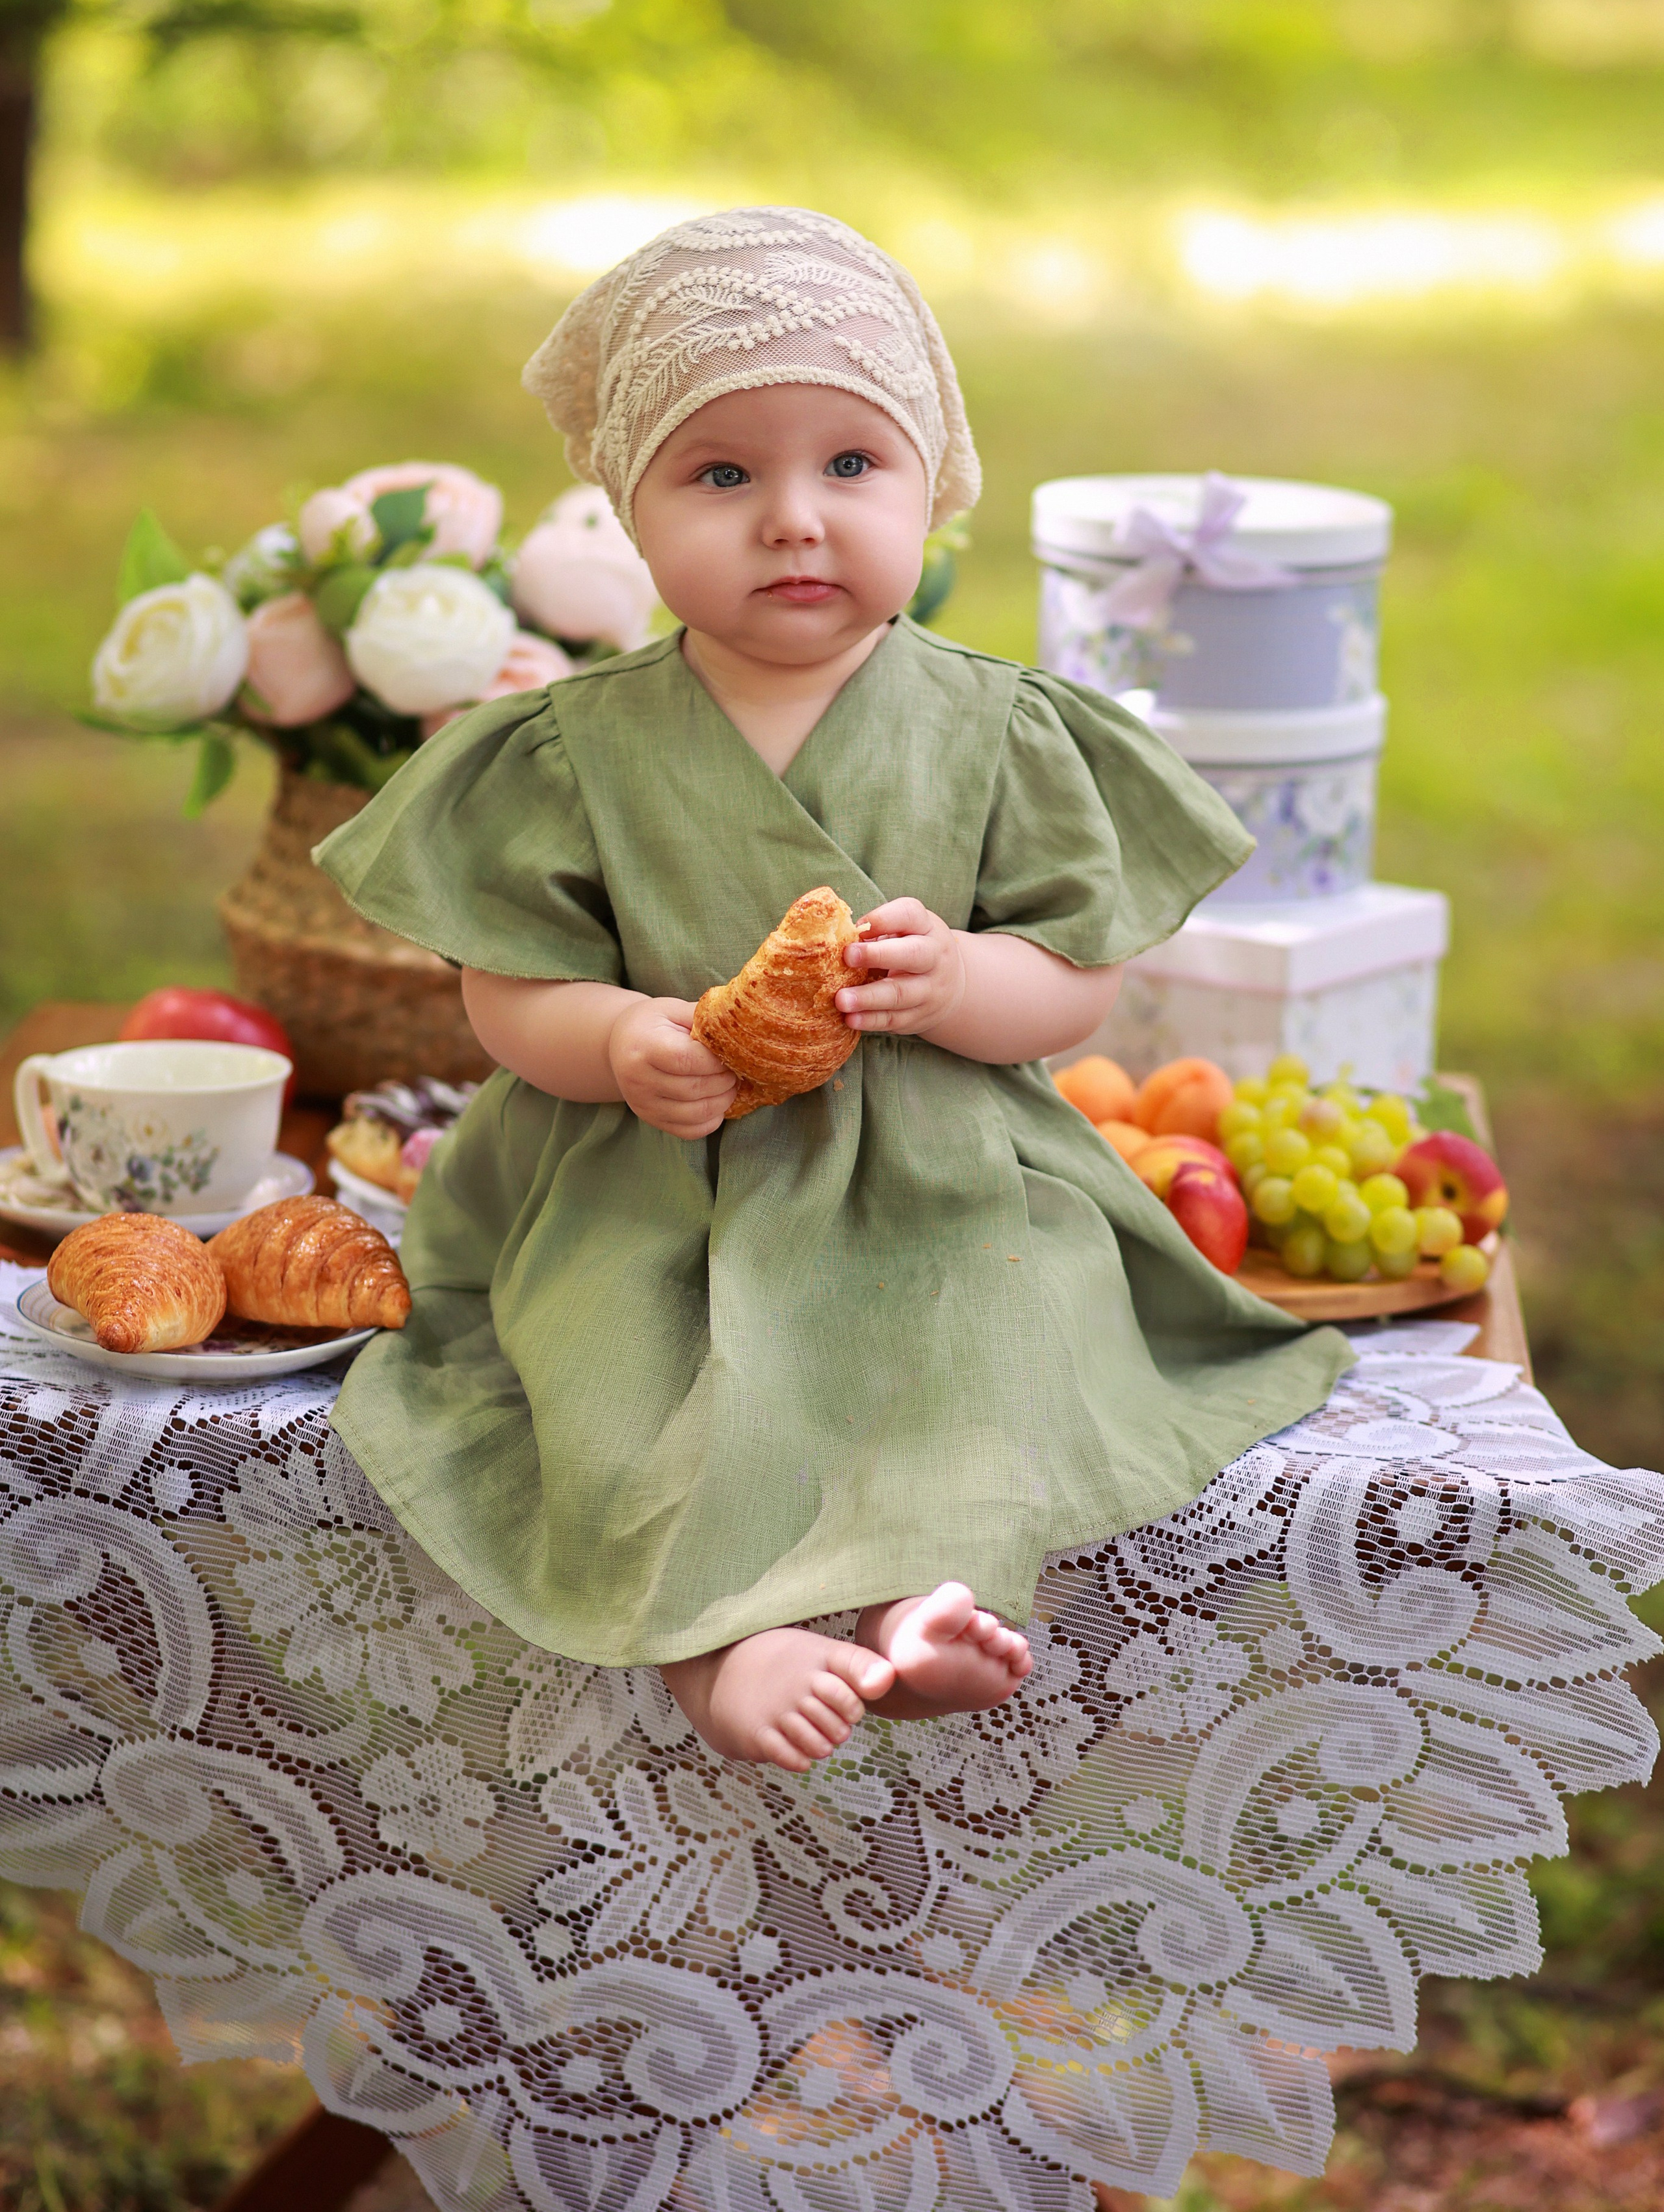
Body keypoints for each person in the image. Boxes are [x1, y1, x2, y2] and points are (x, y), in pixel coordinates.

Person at [316, 207, 1349, 1777]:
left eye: (850, 465)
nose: (793, 520)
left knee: (992, 1344)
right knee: (623, 1387)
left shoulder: (999, 729)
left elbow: (1074, 985)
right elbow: (508, 992)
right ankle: (717, 1648)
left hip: (938, 1168)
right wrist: (619, 1037)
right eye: (721, 475)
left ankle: (924, 1603)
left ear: (931, 492)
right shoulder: (570, 748)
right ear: (630, 514)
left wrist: (964, 980)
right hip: (648, 1182)